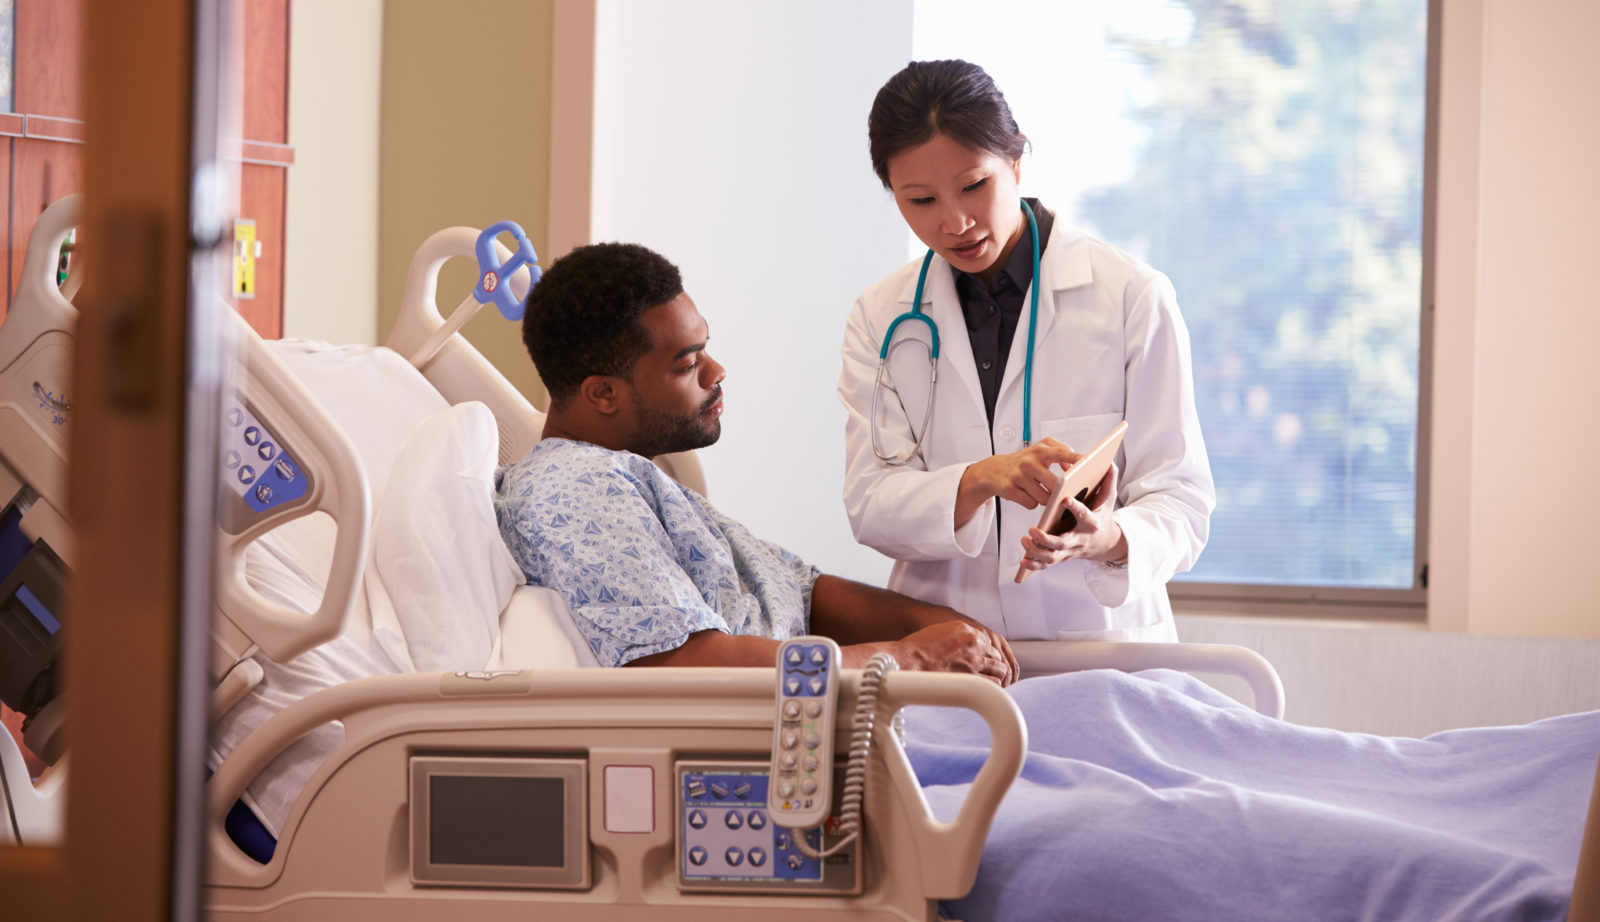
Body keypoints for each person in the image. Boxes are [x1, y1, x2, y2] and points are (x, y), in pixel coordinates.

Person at [494, 241, 1018, 684]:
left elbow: (802, 593)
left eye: (706, 348)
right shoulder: (576, 490)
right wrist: (912, 657)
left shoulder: (634, 478)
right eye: (688, 363)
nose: (716, 371)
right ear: (603, 393)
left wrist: (942, 624)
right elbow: (686, 663)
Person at [838, 59, 1213, 643]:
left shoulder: (1130, 297)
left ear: (1015, 160)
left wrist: (1107, 539)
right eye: (920, 200)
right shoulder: (882, 316)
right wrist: (980, 479)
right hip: (951, 652)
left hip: (1098, 651)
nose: (955, 222)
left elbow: (1181, 499)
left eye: (973, 186)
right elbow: (870, 503)